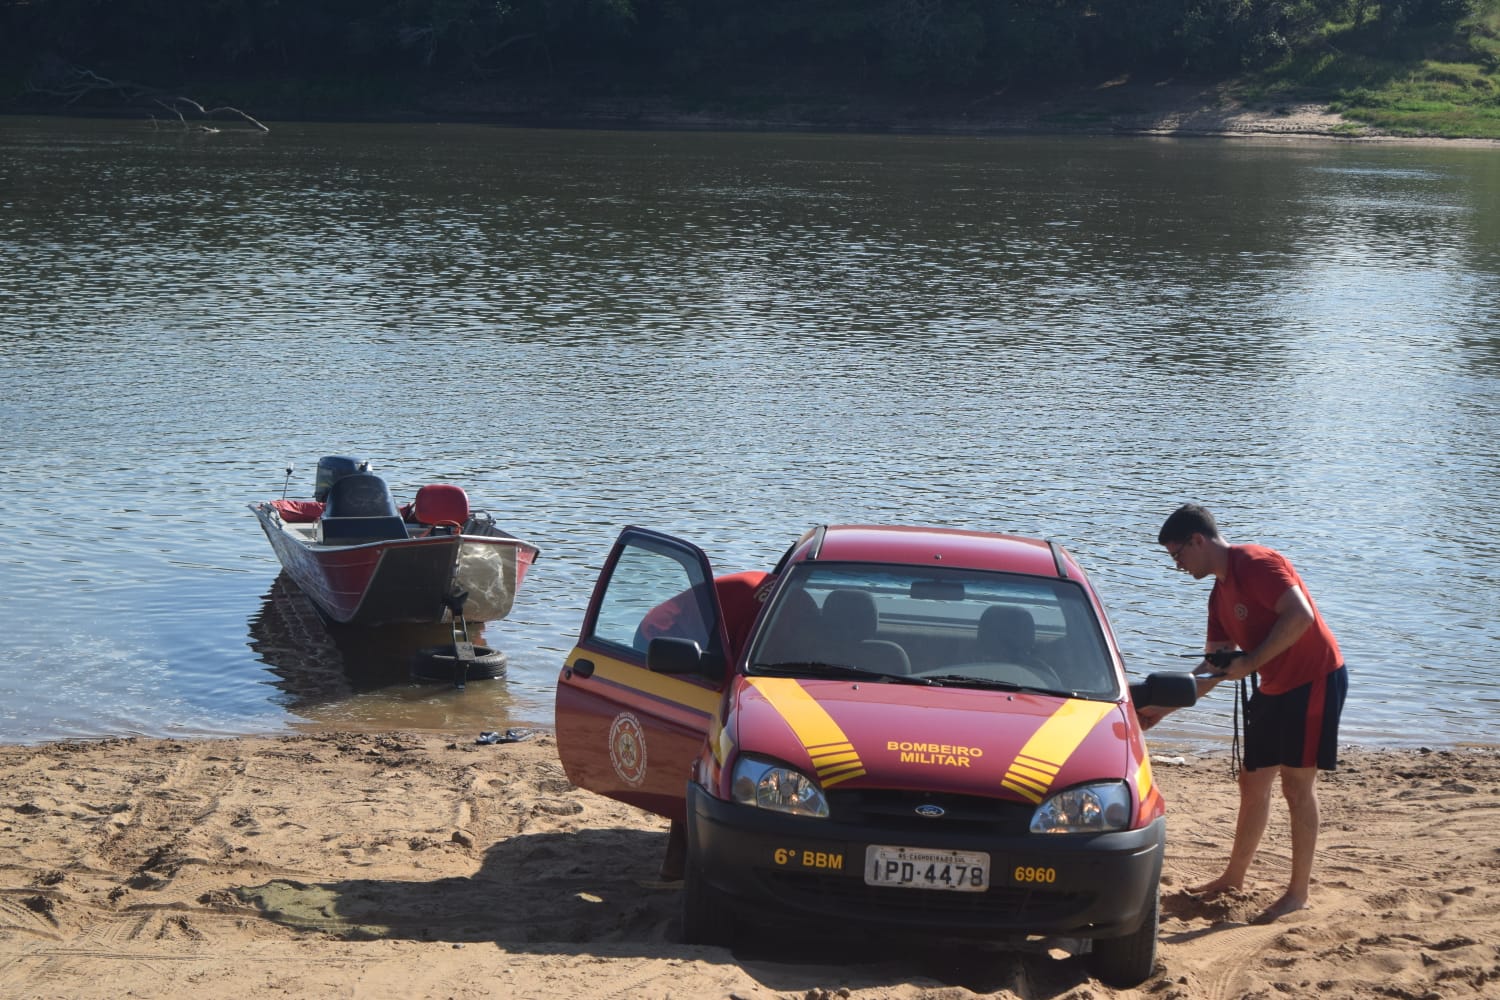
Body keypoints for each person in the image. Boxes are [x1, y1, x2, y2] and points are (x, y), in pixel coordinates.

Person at [1143, 503, 1348, 924]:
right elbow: (1213, 666)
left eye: (1177, 554)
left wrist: (1251, 663)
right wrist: (1161, 708)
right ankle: (1233, 877)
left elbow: (1301, 617)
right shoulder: (1218, 597)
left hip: (1315, 679)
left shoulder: (1255, 562)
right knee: (1252, 781)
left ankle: (1297, 893)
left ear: (1198, 540)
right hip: (1273, 685)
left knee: (1296, 785)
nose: (1177, 565)